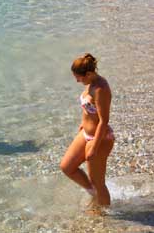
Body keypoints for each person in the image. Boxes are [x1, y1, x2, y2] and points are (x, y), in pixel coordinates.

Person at [60, 53, 113, 207]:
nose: (77, 81)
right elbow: (90, 108)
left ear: (89, 74)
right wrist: (84, 122)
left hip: (100, 137)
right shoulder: (90, 83)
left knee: (98, 182)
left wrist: (94, 147)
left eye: (79, 78)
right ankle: (94, 195)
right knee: (67, 167)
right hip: (86, 133)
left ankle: (103, 214)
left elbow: (104, 121)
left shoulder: (101, 89)